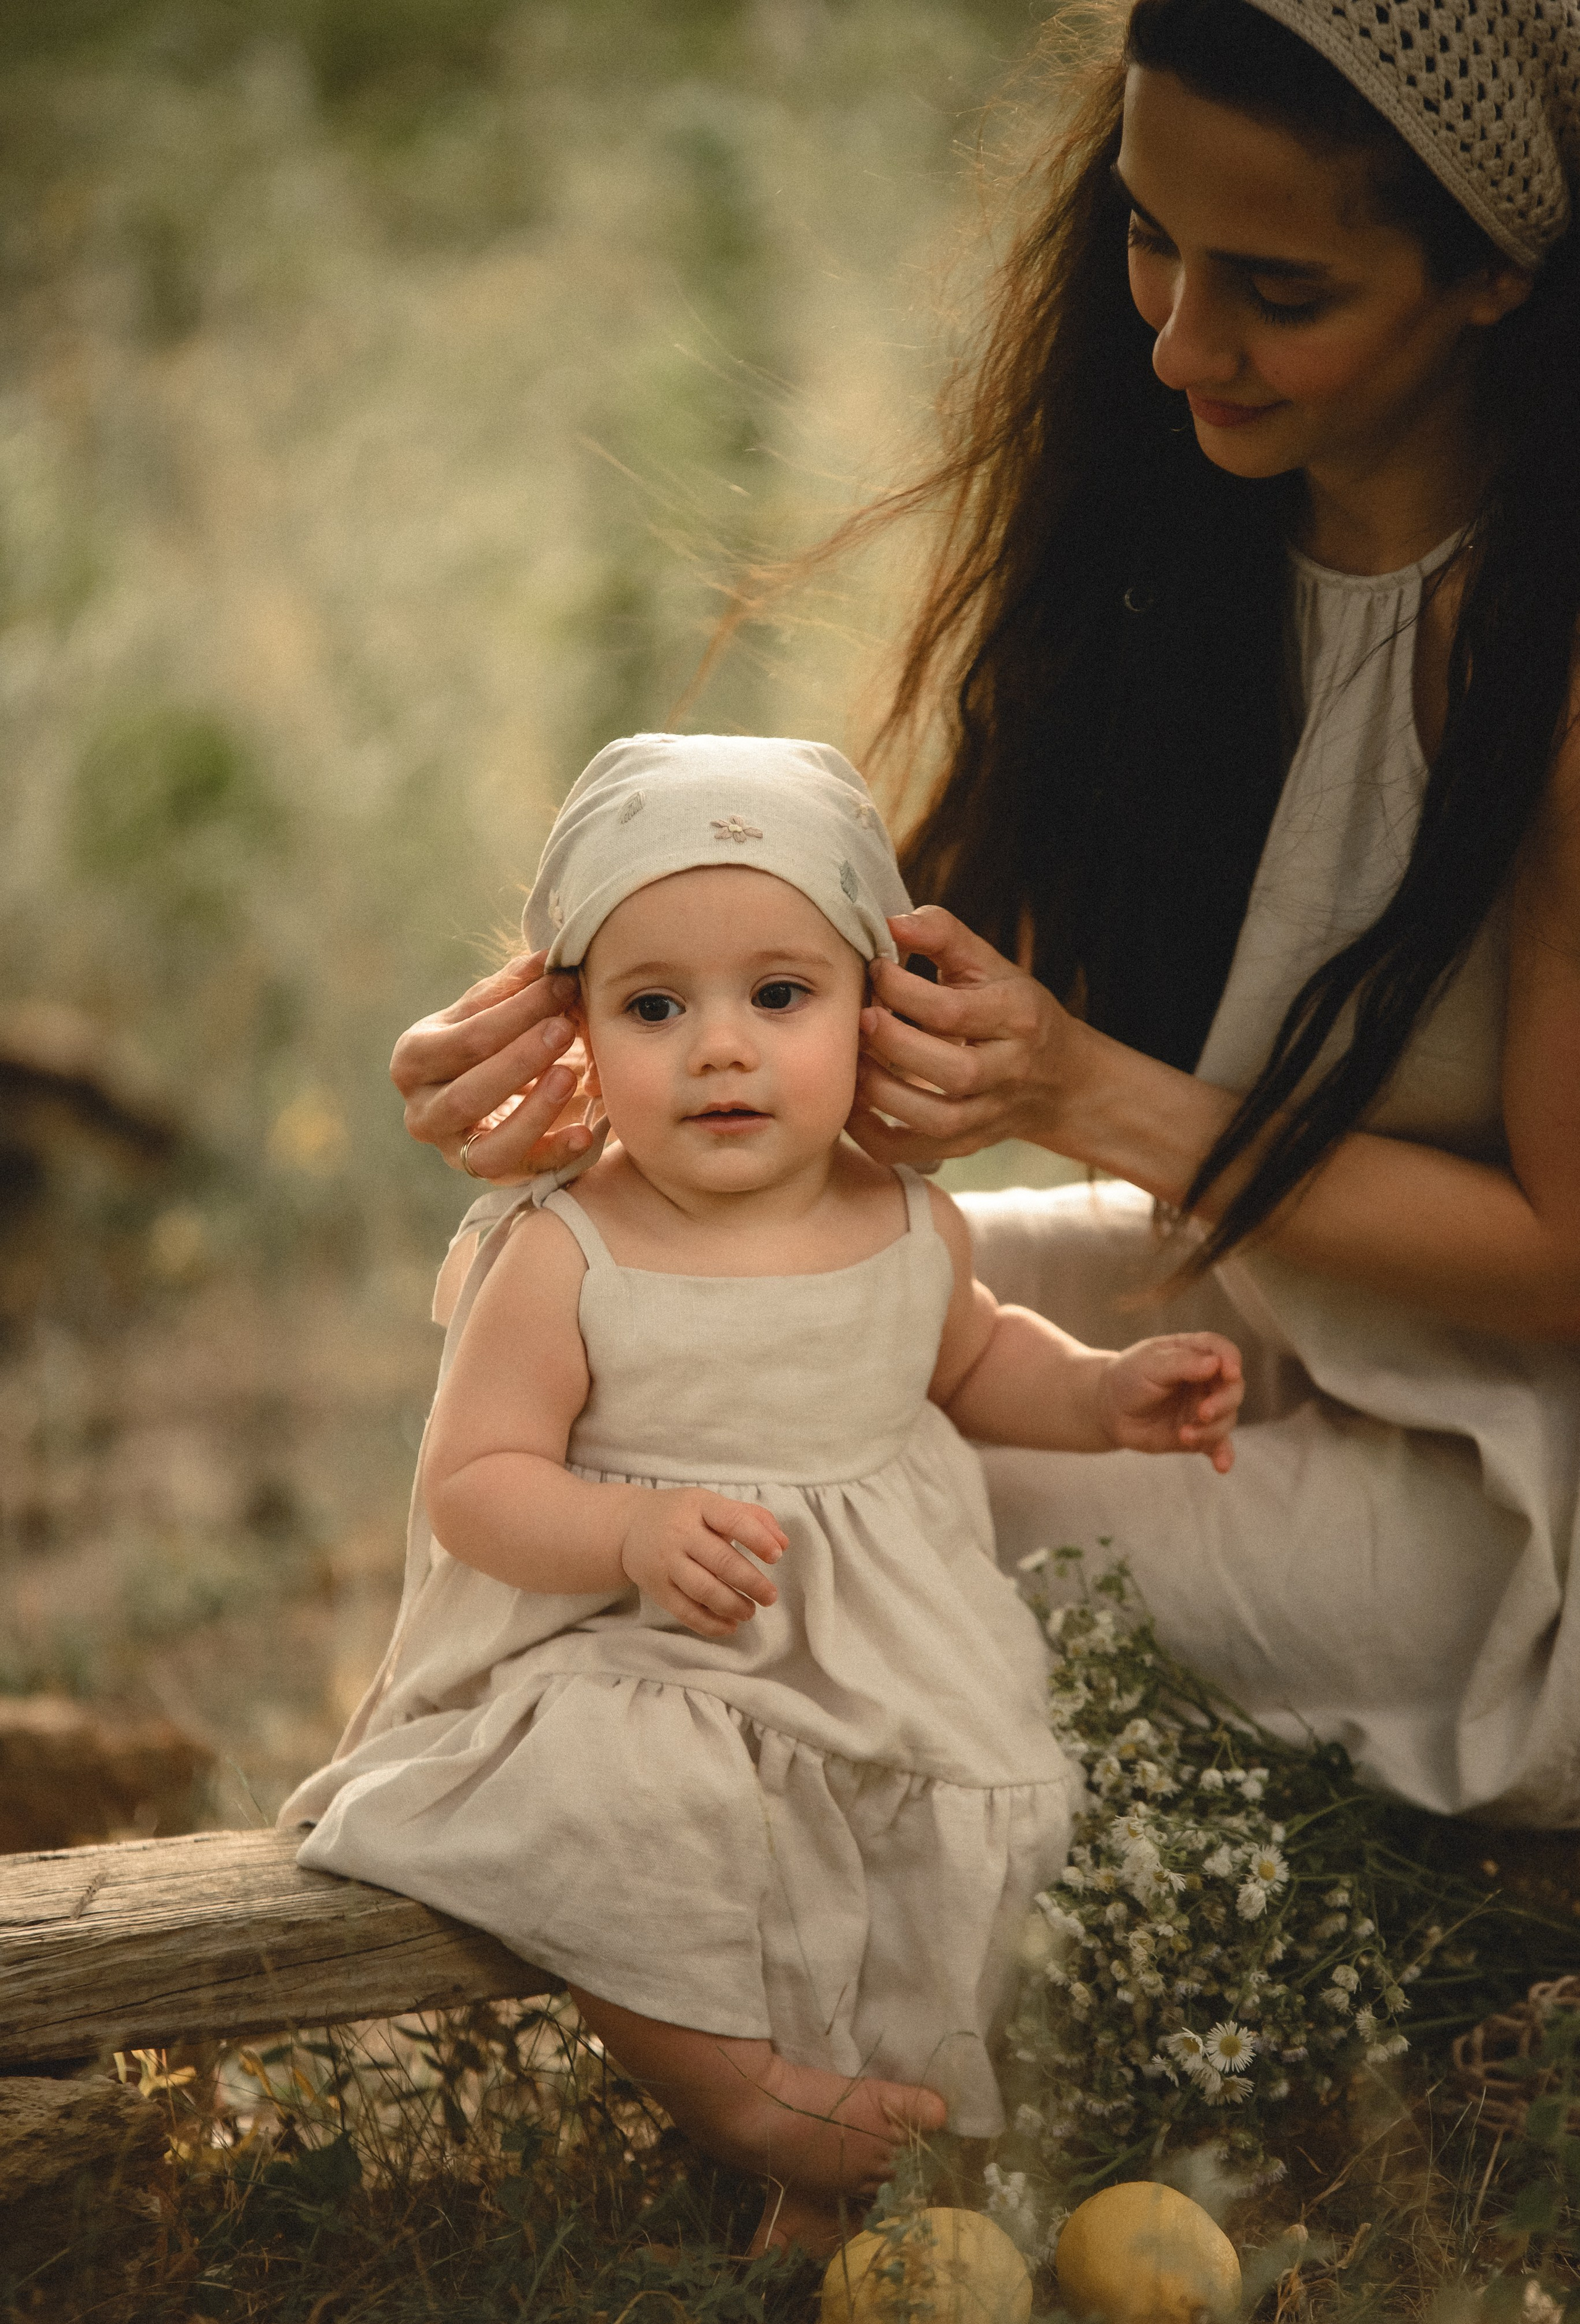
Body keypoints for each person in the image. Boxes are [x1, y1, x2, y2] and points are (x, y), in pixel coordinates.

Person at [389, 0, 1580, 1828]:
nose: (1182, 340)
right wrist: (607, 1012)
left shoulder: (1546, 654)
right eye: (1149, 234)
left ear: (1497, 276)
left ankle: (636, 1918)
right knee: (624, 1313)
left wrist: (1076, 1087)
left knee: (793, 1476)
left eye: (1279, 288)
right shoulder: (1199, 514)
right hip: (1280, 1291)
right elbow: (909, 942)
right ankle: (537, 1827)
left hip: (1521, 1492)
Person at [282, 734, 1245, 2255]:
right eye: (654, 1006)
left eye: (778, 996)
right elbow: (474, 1486)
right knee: (631, 1802)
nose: (719, 1047)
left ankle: (863, 2171)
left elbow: (971, 1363)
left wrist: (1099, 1395)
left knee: (961, 1824)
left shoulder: (907, 1219)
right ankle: (741, 2097)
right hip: (632, 1649)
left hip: (882, 1647)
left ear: (872, 1007)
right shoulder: (565, 1249)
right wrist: (628, 1531)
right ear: (579, 1034)